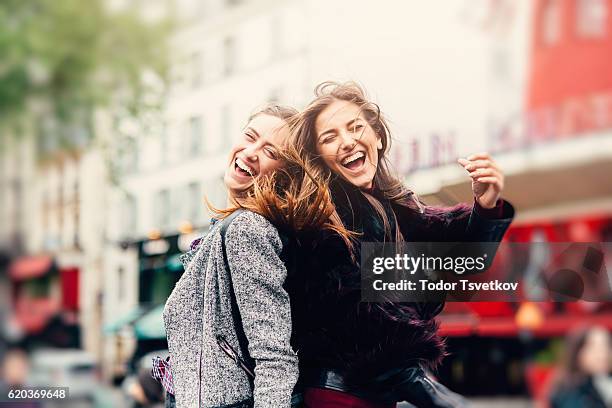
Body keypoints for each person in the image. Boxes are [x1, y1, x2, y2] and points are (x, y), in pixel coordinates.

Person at [283, 82, 515, 407]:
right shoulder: (324, 218)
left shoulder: (393, 207)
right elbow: (364, 321)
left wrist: (487, 206)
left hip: (373, 395)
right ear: (319, 158)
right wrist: (428, 391)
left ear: (377, 137)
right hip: (337, 396)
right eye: (330, 137)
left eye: (355, 127)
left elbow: (463, 252)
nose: (347, 141)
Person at [162, 105, 302, 408]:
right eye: (250, 137)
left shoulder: (247, 228)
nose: (251, 152)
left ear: (285, 176)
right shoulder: (229, 228)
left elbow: (274, 358)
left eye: (271, 152)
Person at [548, 325, 611, 408]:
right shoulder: (569, 389)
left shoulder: (603, 381)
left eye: (607, 346)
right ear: (577, 352)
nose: (603, 354)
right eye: (594, 347)